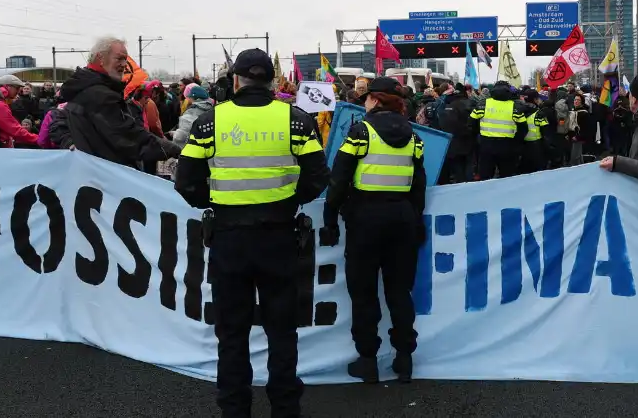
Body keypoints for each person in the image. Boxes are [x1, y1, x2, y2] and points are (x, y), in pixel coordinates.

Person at [175, 48, 329, 418]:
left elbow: (186, 181)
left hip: (229, 239)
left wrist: (210, 203)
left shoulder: (210, 121)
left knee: (232, 334)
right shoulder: (296, 119)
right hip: (279, 237)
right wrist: (289, 201)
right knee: (281, 331)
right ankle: (285, 410)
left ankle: (235, 410)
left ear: (236, 80)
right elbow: (318, 177)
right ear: (271, 81)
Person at [320, 77, 424, 384]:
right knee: (399, 291)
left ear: (376, 101)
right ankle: (404, 359)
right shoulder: (414, 137)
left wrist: (329, 218)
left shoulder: (361, 132)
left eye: (366, 98)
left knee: (364, 292)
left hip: (365, 220)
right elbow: (418, 186)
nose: (363, 102)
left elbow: (338, 179)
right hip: (403, 220)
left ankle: (367, 361)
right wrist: (416, 221)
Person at [52, 37, 180, 167]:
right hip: (107, 177)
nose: (125, 64)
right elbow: (128, 137)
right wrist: (172, 149)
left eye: (125, 59)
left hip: (90, 172)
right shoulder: (101, 95)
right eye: (119, 58)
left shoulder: (82, 88)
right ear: (100, 58)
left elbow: (58, 121)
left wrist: (69, 141)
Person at [470, 80, 527, 179]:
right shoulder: (514, 106)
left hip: (486, 145)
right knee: (507, 178)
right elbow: (523, 128)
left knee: (485, 177)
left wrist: (480, 135)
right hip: (507, 146)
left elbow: (471, 122)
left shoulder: (482, 104)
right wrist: (516, 141)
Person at [437, 83, 475, 184]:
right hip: (469, 140)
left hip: (454, 140)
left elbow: (445, 124)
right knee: (469, 164)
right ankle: (469, 184)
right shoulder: (471, 103)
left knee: (458, 166)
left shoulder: (449, 106)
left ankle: (460, 184)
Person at [518, 88, 549, 174]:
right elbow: (546, 133)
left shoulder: (518, 112)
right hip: (536, 148)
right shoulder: (539, 114)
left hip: (521, 147)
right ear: (535, 99)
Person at [566, 93, 595, 165]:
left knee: (575, 158)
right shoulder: (573, 111)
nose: (576, 101)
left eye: (578, 100)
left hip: (578, 138)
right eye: (575, 100)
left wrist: (578, 137)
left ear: (581, 102)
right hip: (572, 136)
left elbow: (586, 128)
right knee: (577, 157)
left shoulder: (584, 113)